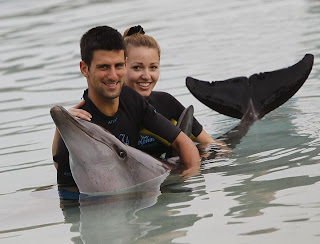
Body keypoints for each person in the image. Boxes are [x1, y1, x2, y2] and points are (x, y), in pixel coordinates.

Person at [52, 25, 200, 189]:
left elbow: (183, 143)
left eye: (118, 65)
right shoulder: (80, 125)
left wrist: (185, 183)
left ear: (126, 63)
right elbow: (67, 190)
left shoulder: (131, 99)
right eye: (104, 67)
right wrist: (60, 128)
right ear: (84, 69)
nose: (113, 75)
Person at [122, 25, 228, 157]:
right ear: (121, 67)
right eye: (137, 67)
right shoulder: (109, 111)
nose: (147, 75)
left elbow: (210, 144)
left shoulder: (165, 102)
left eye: (153, 67)